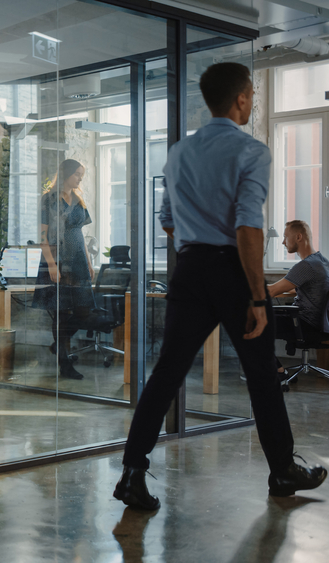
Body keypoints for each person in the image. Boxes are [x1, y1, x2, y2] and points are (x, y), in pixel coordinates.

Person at [113, 62, 326, 511]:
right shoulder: (252, 152)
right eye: (253, 95)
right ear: (243, 98)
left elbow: (168, 222)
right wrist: (255, 296)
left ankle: (132, 472)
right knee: (263, 375)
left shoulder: (178, 153)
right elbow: (248, 230)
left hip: (189, 268)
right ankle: (283, 470)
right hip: (233, 270)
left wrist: (198, 243)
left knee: (167, 371)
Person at [31, 159, 95, 380]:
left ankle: (59, 345)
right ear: (66, 174)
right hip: (58, 260)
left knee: (83, 310)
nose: (80, 178)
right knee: (61, 311)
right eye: (77, 174)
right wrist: (51, 264)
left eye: (81, 174)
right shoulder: (48, 199)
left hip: (78, 261)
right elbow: (43, 236)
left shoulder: (78, 199)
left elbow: (81, 235)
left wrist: (88, 261)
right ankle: (65, 363)